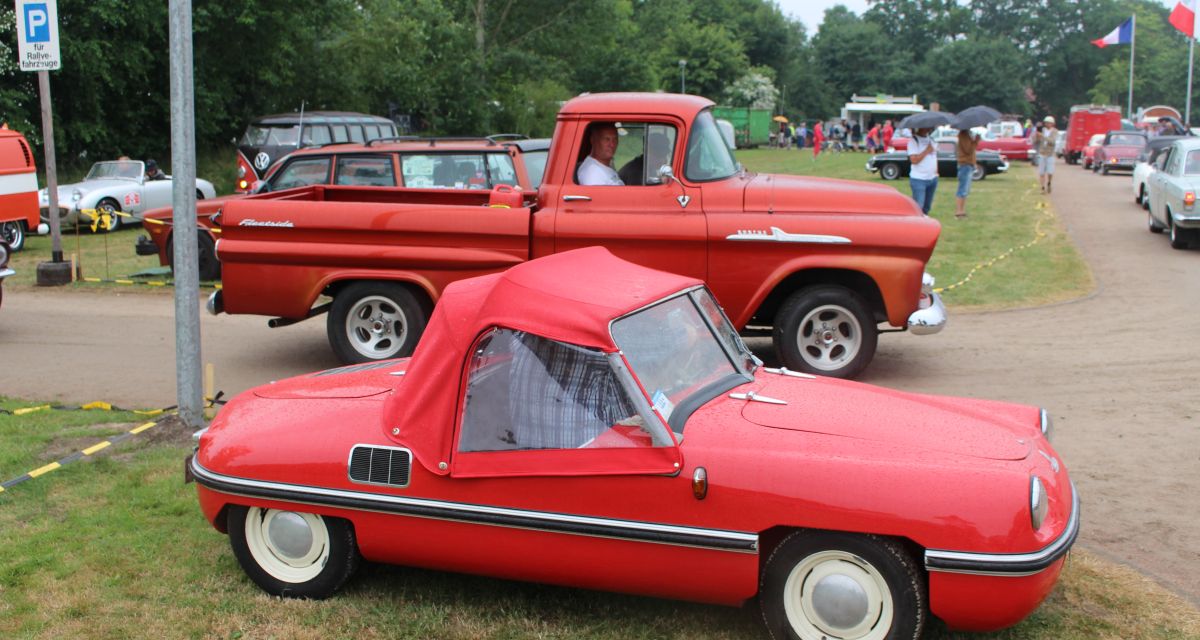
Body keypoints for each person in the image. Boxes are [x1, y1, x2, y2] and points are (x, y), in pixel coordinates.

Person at [907, 127, 938, 215]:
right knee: (918, 206)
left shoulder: (931, 140)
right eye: (926, 127)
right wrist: (926, 151)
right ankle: (916, 225)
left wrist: (936, 172)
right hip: (919, 179)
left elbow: (934, 157)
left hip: (932, 178)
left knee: (927, 207)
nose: (928, 128)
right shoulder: (914, 141)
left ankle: (924, 224)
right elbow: (914, 160)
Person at [954, 129, 980, 219]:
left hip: (968, 164)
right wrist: (976, 141)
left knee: (965, 190)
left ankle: (962, 210)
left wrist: (974, 162)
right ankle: (959, 212)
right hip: (965, 164)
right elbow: (968, 150)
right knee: (962, 189)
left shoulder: (967, 134)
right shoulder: (963, 134)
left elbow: (970, 151)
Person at [1032, 116, 1057, 193]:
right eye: (1046, 123)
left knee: (1050, 172)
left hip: (1050, 154)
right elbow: (1035, 142)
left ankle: (1049, 183)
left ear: (1052, 124)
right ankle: (1042, 187)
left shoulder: (1055, 131)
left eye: (1049, 123)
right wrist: (1036, 136)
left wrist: (1043, 136)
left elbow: (1052, 142)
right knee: (1041, 172)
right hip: (1042, 153)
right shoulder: (1042, 130)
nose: (1047, 124)